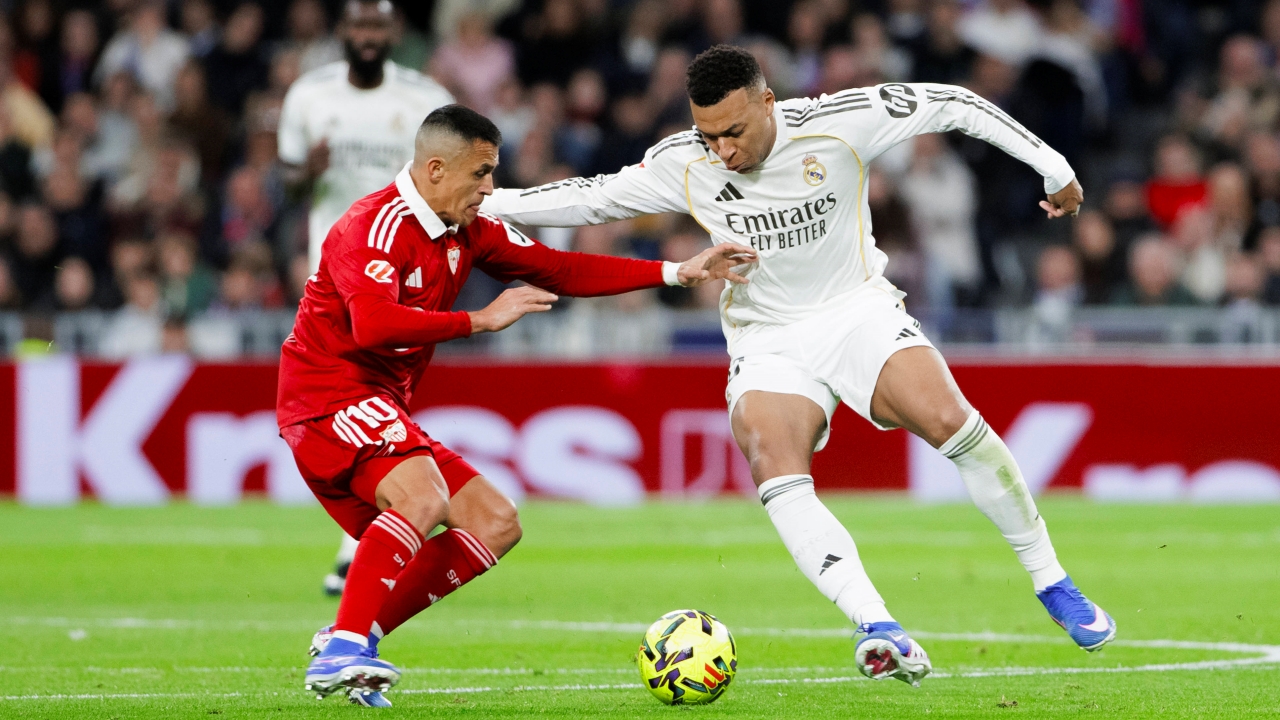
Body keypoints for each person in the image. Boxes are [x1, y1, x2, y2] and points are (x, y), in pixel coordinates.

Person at [481, 45, 1112, 687]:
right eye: (709, 135)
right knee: (771, 457)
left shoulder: (841, 121)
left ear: (766, 101)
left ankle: (1051, 580)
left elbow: (953, 103)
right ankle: (879, 627)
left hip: (856, 312)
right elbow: (591, 198)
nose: (722, 150)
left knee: (952, 421)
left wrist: (1051, 164)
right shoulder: (686, 162)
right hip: (767, 336)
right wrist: (485, 202)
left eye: (733, 132)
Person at [280, 104, 753, 706]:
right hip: (326, 394)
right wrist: (481, 319)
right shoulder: (370, 226)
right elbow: (370, 325)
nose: (489, 188)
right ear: (434, 170)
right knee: (423, 495)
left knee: (495, 522)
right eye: (479, 174)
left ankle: (352, 637)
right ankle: (345, 646)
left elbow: (557, 268)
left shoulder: (466, 229)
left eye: (492, 173)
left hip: (378, 400)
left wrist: (675, 272)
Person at [277, 0, 454, 596]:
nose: (369, 36)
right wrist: (308, 171)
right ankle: (367, 534)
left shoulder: (422, 97)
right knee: (359, 400)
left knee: (385, 396)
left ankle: (365, 537)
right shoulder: (309, 95)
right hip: (333, 277)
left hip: (406, 274)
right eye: (359, 26)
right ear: (343, 32)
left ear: (394, 32)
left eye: (378, 26)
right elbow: (285, 179)